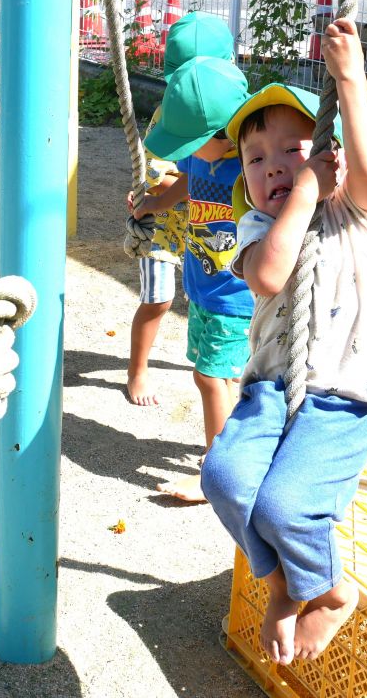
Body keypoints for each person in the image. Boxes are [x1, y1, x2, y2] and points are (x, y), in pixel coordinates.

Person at [200, 17, 367, 665]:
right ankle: (285, 583)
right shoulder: (258, 222)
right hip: (268, 391)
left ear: (325, 151)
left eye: (293, 150)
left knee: (285, 505)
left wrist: (349, 75)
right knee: (225, 477)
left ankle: (331, 592)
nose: (274, 166)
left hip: (343, 396)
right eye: (256, 159)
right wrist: (303, 188)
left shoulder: (356, 215)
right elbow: (270, 274)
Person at [131, 56, 254, 502]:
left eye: (189, 142)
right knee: (216, 377)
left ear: (218, 134)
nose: (182, 152)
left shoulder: (250, 167)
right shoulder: (202, 159)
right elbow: (189, 182)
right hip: (203, 286)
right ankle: (227, 452)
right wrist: (152, 205)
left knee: (210, 378)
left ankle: (215, 474)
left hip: (236, 295)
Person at [127, 12, 237, 406]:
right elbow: (161, 177)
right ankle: (137, 370)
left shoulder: (236, 124)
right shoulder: (172, 115)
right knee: (158, 299)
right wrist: (153, 200)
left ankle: (216, 367)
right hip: (162, 224)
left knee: (205, 300)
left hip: (204, 230)